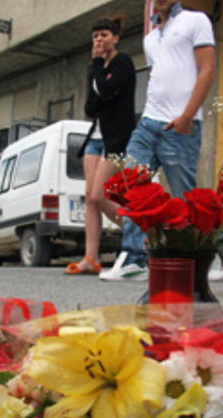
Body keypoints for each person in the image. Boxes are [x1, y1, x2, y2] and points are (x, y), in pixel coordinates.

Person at [100, 0, 216, 281]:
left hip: (179, 126)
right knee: (133, 186)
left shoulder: (195, 21)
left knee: (184, 197)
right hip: (148, 123)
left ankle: (203, 256)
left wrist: (187, 116)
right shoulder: (150, 39)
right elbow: (157, 77)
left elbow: (207, 71)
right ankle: (134, 258)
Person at [65, 15, 138, 275]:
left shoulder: (122, 63)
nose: (98, 40)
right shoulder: (97, 70)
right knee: (90, 198)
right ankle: (91, 258)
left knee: (100, 195)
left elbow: (105, 92)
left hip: (116, 138)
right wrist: (100, 78)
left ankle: (141, 233)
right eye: (95, 36)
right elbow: (90, 107)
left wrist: (99, 68)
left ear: (115, 38)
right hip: (94, 139)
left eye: (104, 35)